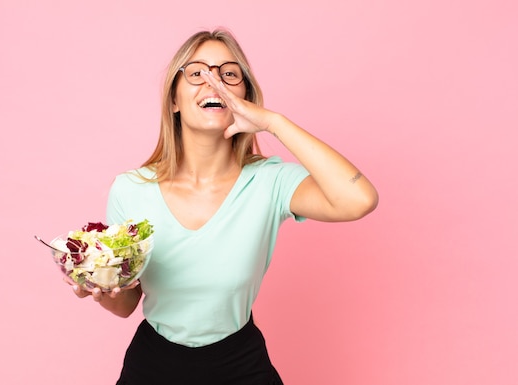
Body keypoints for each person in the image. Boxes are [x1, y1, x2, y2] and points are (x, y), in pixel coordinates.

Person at [69, 28, 379, 384]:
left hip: (240, 364)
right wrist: (100, 287)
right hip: (153, 365)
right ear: (174, 99)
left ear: (245, 95)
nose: (213, 82)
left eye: (228, 74)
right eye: (197, 73)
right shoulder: (130, 189)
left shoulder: (271, 181)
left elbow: (360, 199)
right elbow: (126, 305)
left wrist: (272, 122)